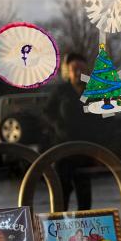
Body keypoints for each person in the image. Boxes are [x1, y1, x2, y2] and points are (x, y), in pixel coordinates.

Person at [43, 52, 101, 210]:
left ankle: (85, 230)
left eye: (81, 69)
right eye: (74, 69)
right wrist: (57, 126)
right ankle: (59, 230)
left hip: (84, 151)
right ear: (67, 71)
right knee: (62, 195)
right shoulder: (61, 91)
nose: (78, 73)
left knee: (85, 196)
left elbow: (101, 119)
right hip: (63, 151)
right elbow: (48, 112)